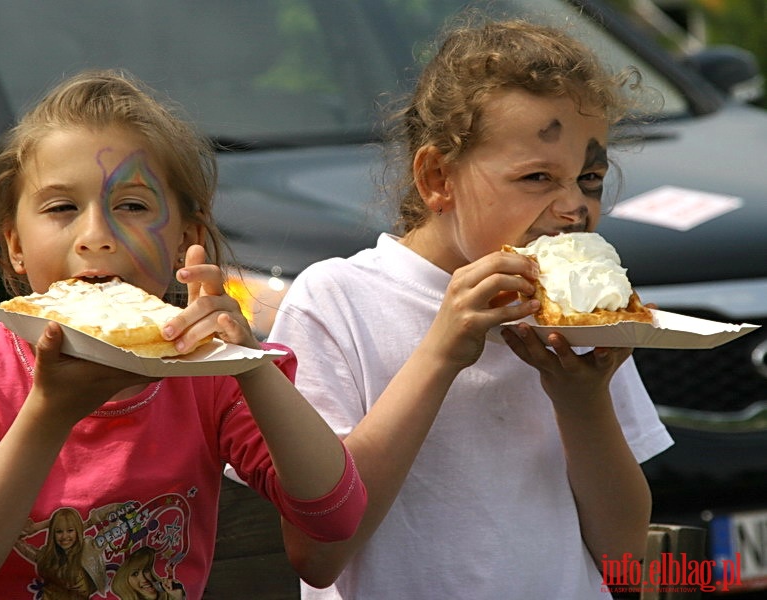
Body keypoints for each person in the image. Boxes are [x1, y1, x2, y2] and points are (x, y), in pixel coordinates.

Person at [0, 69, 366, 600]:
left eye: (132, 206)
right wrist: (49, 413)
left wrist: (247, 364)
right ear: (14, 244)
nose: (96, 236)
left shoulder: (209, 373)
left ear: (187, 240)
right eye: (62, 207)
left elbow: (337, 517)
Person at [270, 17, 674, 599]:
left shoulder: (582, 319)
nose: (573, 208)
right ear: (438, 178)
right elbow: (317, 551)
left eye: (589, 178)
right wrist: (439, 353)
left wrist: (583, 404)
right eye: (537, 176)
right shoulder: (337, 302)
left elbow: (621, 556)